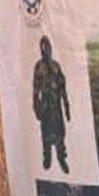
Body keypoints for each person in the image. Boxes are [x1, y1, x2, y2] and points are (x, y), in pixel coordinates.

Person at [33, 34, 71, 173]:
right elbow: (35, 88)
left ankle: (61, 157)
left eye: (48, 47)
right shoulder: (39, 66)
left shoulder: (56, 66)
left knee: (60, 133)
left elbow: (63, 86)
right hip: (45, 106)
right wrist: (35, 106)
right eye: (44, 48)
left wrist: (66, 106)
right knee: (46, 133)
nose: (46, 50)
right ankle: (47, 156)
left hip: (57, 105)